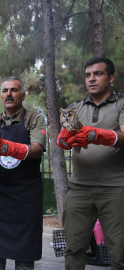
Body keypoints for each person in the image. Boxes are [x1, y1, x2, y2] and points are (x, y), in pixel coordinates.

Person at [57, 57, 124, 270]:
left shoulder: (121, 103)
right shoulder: (75, 108)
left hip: (116, 188)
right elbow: (62, 139)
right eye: (88, 75)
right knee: (74, 249)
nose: (91, 79)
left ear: (111, 77)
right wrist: (63, 141)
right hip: (79, 189)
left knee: (119, 252)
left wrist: (95, 134)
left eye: (98, 74)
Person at [0, 76, 46, 270]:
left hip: (25, 196)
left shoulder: (34, 118)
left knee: (25, 255)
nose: (9, 94)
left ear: (22, 95)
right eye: (5, 91)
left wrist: (5, 147)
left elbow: (37, 149)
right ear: (1, 96)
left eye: (14, 90)